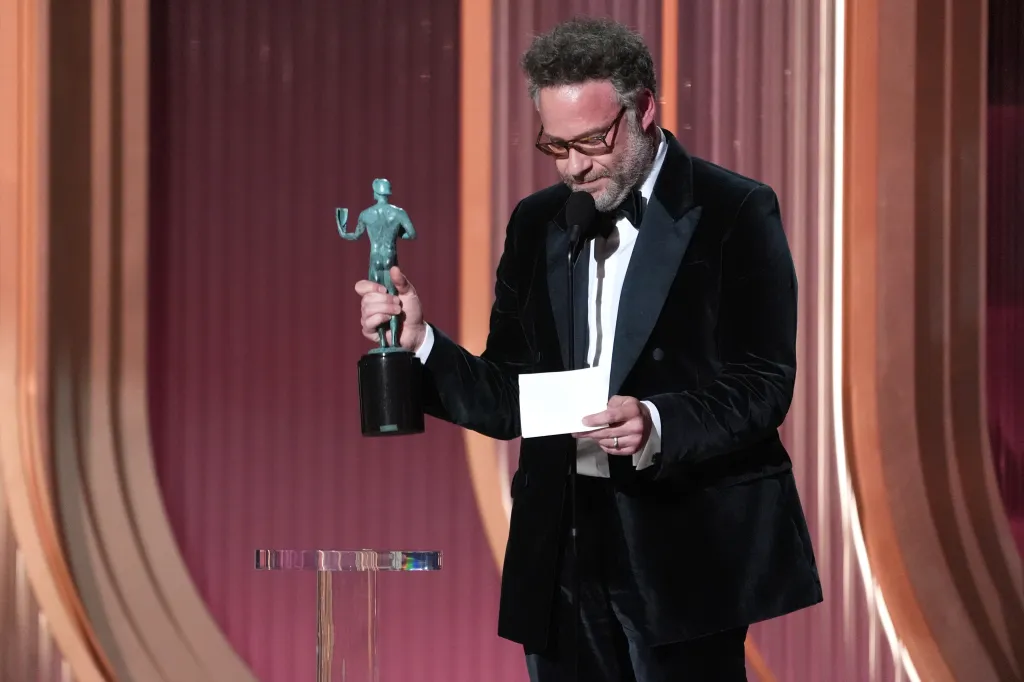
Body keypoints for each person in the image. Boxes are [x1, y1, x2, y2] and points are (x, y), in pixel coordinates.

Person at [355, 17, 822, 682]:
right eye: (555, 146)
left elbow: (763, 382)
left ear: (645, 111)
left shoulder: (735, 210)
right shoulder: (537, 220)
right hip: (562, 545)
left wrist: (657, 421)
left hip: (684, 545)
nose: (573, 166)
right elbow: (507, 394)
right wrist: (420, 344)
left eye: (591, 142)